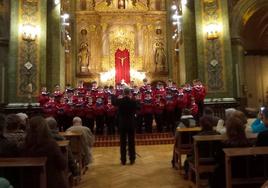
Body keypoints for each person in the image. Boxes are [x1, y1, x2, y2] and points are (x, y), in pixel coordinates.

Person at [22, 116, 68, 188]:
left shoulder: (24, 145)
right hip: (51, 182)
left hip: (30, 183)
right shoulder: (51, 144)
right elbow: (62, 164)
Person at [210, 116, 251, 188]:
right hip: (246, 173)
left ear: (228, 130)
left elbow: (217, 160)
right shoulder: (249, 144)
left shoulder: (223, 145)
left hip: (226, 174)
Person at [112, 87, 139, 165]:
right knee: (131, 142)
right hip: (131, 124)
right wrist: (137, 100)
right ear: (130, 93)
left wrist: (113, 94)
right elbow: (138, 107)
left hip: (122, 124)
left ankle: (123, 160)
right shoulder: (133, 101)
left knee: (123, 143)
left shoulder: (120, 101)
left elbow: (113, 102)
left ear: (123, 93)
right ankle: (132, 159)